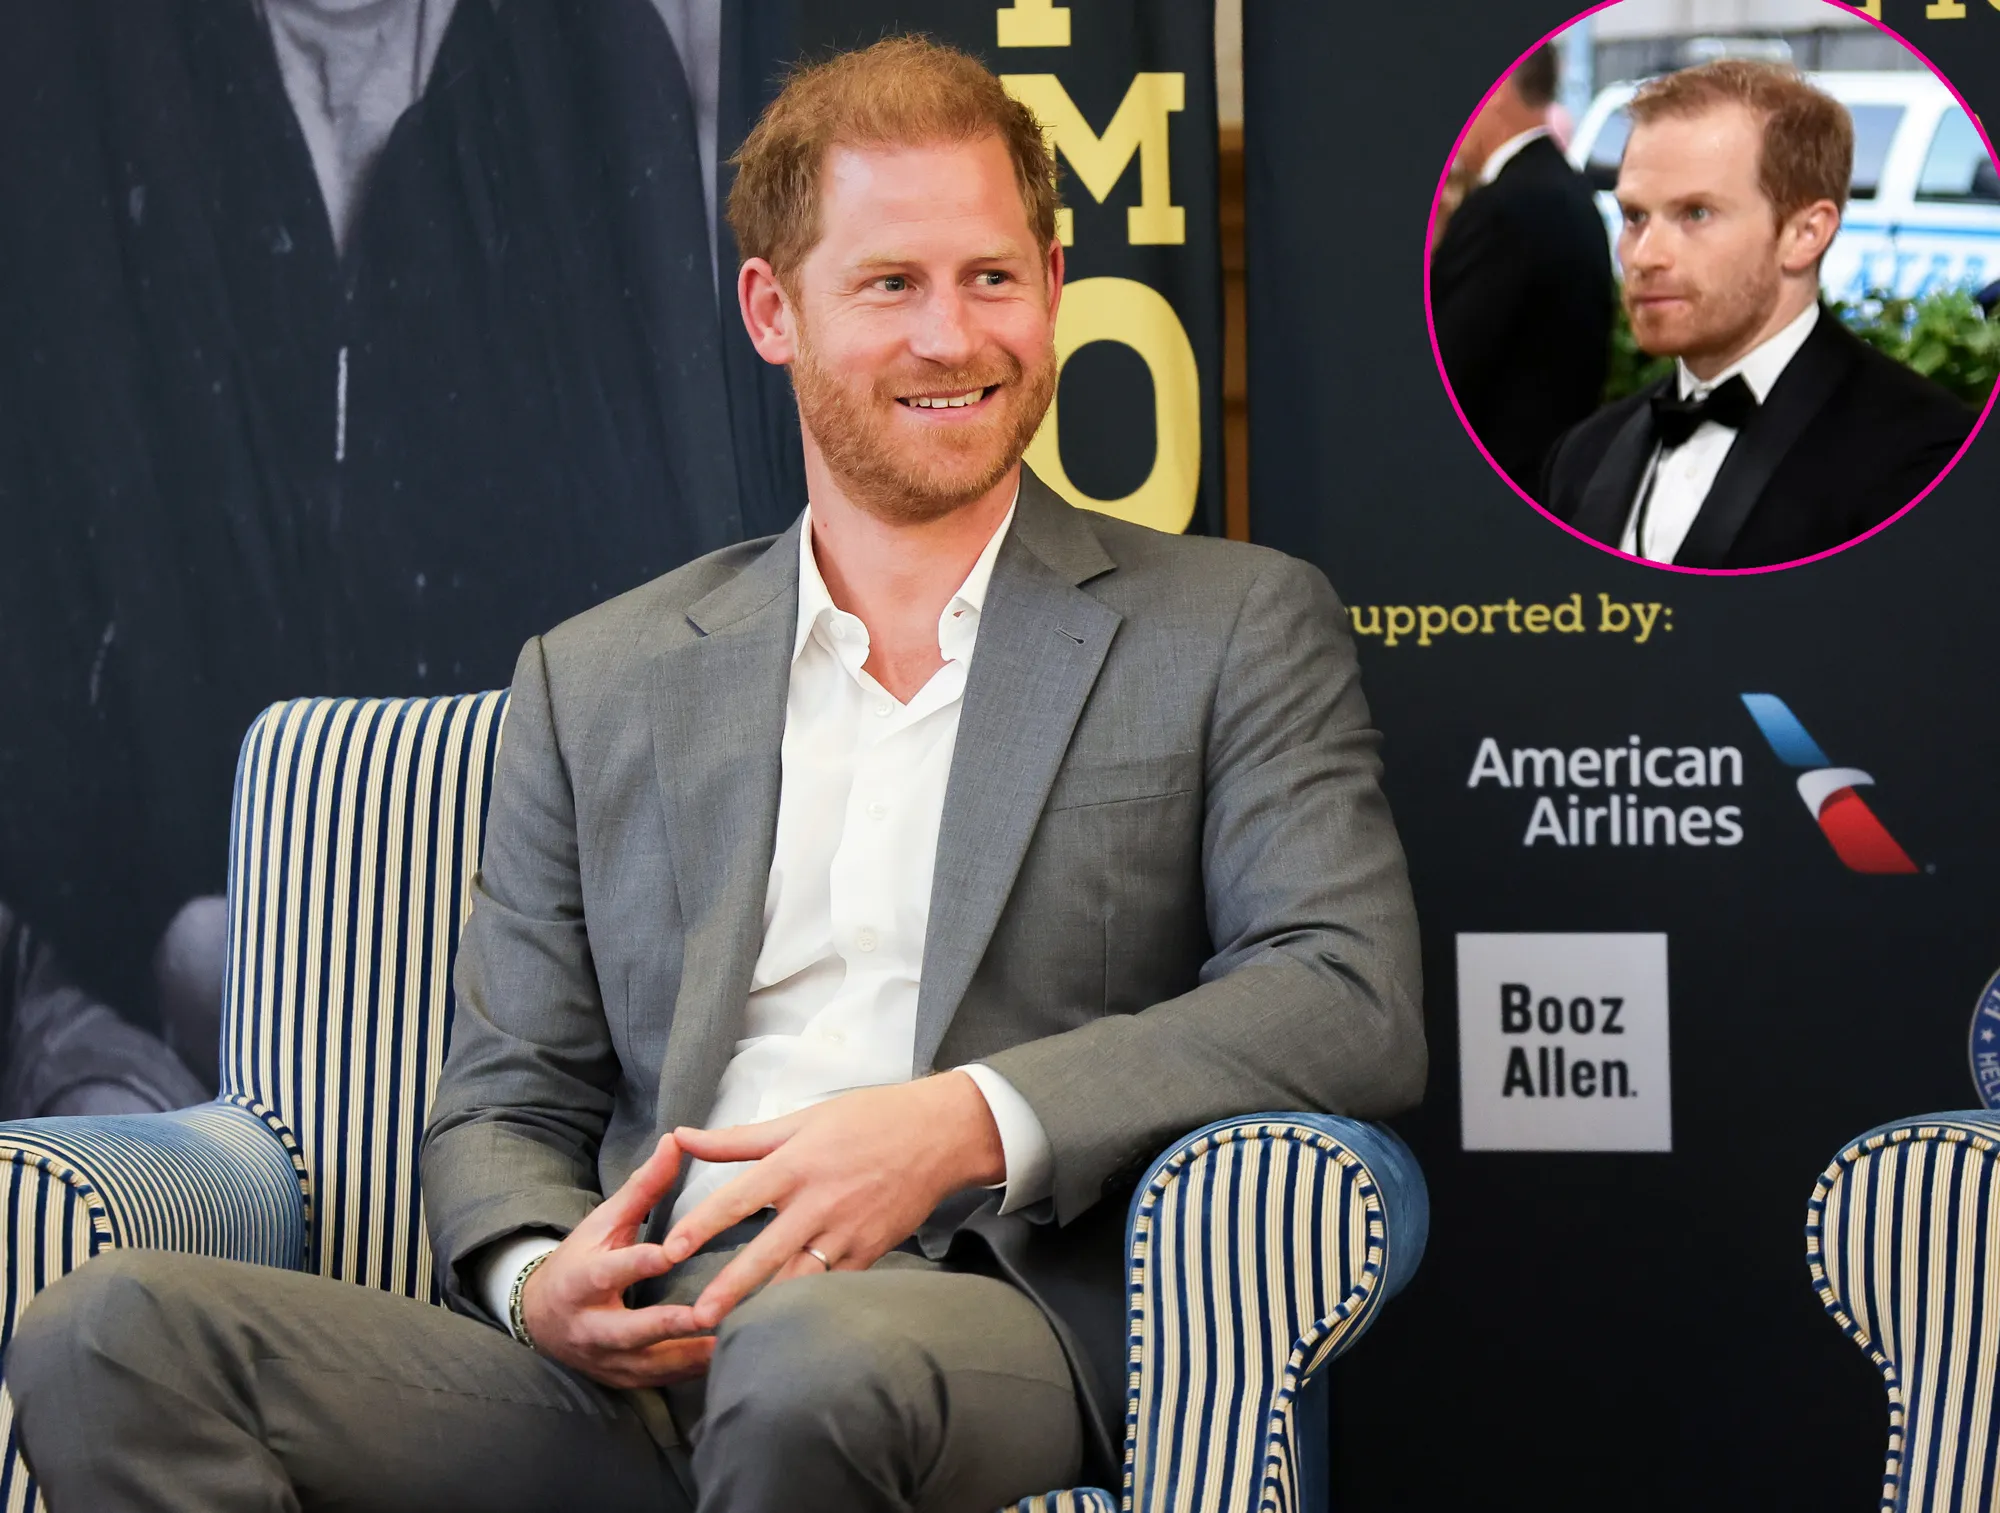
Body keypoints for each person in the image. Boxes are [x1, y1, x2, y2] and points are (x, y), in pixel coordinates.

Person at [7, 37, 1425, 1513]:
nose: (952, 335)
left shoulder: (1228, 625)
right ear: (771, 310)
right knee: (106, 1337)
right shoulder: (598, 676)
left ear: (1054, 286)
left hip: (965, 1319)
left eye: (992, 277)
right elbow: (504, 1099)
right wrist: (539, 1275)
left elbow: (1347, 991)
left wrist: (960, 1121)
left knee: (806, 1359)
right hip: (635, 1354)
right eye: (890, 284)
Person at [1541, 60, 1977, 569]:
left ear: (1805, 234)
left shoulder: (1926, 458)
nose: (1644, 256)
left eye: (1696, 214)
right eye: (1635, 216)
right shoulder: (1582, 456)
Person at [1432, 43, 1614, 489]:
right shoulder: (1570, 190)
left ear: (1496, 90)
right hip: (1556, 475)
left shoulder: (1501, 209)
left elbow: (1449, 368)